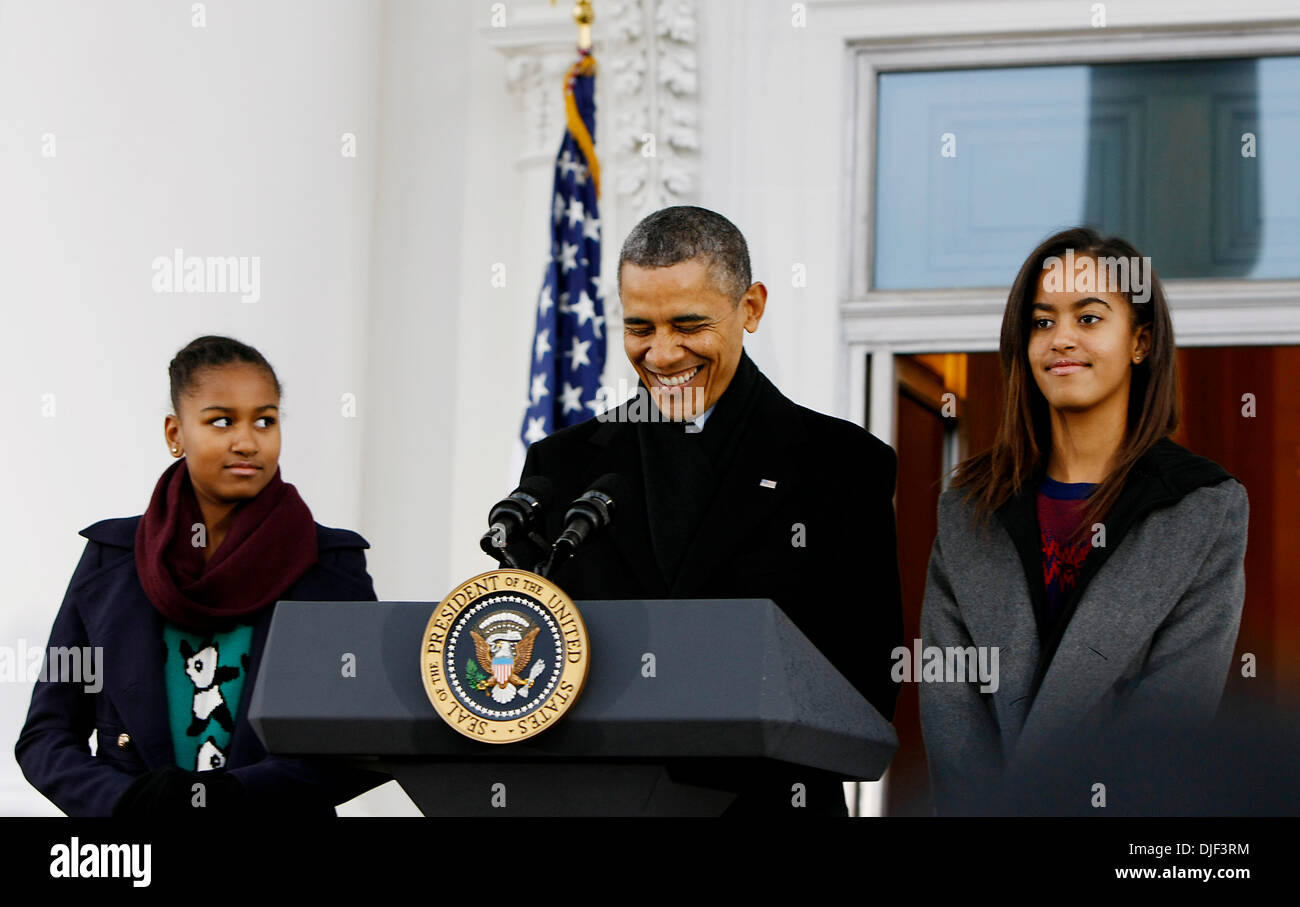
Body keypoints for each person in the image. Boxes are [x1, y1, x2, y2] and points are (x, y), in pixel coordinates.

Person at [516, 206, 904, 815]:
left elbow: (867, 686)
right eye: (640, 328)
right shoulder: (560, 466)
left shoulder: (843, 465)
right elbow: (531, 659)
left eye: (689, 325)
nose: (663, 354)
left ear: (750, 308)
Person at [918, 227, 1248, 815]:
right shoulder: (968, 506)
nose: (1061, 339)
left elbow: (1171, 716)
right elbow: (951, 709)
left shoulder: (1203, 507)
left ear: (1140, 340)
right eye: (1042, 322)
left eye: (1089, 318)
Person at [15, 335, 388, 816]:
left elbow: (366, 742)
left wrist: (236, 797)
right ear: (175, 434)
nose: (247, 441)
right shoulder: (111, 559)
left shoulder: (330, 564)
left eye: (265, 420)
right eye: (221, 421)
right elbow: (47, 736)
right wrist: (126, 802)